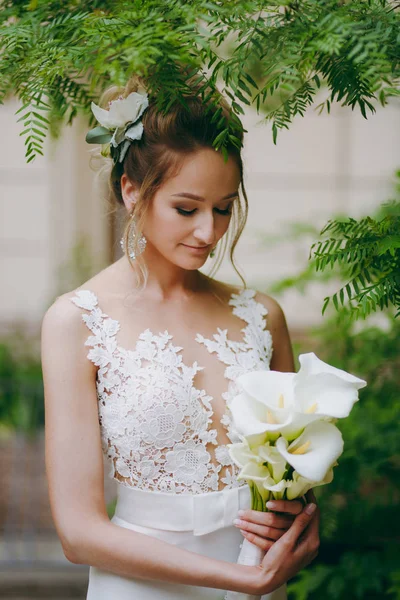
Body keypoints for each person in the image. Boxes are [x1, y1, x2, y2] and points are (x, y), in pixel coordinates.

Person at [41, 73, 320, 600]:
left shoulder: (262, 316)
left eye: (223, 208)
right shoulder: (76, 321)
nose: (209, 232)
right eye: (187, 209)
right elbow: (78, 533)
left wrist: (301, 525)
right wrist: (241, 580)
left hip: (258, 579)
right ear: (131, 190)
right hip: (144, 587)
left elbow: (296, 476)